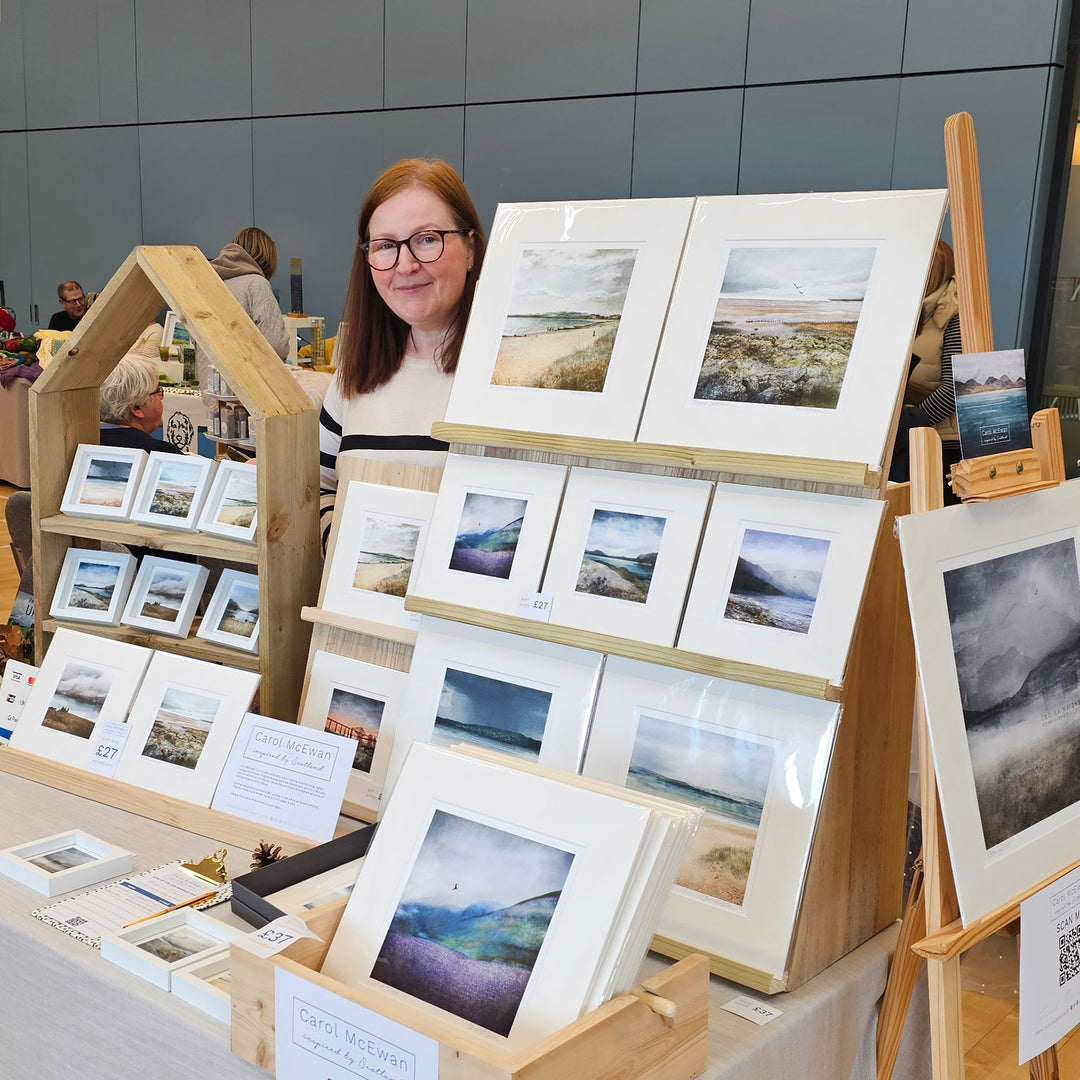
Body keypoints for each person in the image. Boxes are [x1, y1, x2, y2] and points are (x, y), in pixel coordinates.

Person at [318, 158, 486, 545]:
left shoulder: (511, 376)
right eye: (385, 246)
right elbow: (320, 489)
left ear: (471, 249)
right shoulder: (353, 377)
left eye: (427, 239)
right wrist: (346, 560)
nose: (405, 265)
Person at [889, 240, 961, 497]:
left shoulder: (953, 314)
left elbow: (957, 386)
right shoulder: (912, 308)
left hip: (940, 444)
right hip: (907, 440)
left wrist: (914, 420)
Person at [99, 354, 184, 454]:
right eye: (158, 391)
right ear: (137, 407)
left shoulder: (84, 440)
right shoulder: (158, 453)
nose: (161, 397)